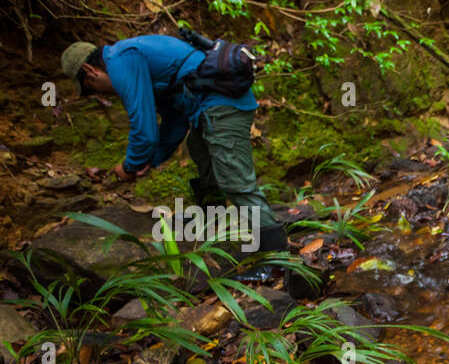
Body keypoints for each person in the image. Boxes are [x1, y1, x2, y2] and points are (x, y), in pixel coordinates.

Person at [60, 35, 291, 277]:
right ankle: (221, 235)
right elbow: (175, 121)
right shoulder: (135, 58)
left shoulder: (120, 60)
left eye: (91, 89)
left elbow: (143, 126)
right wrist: (150, 161)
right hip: (208, 109)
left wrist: (130, 166)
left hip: (222, 106)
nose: (102, 94)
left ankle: (278, 262)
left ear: (90, 71)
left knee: (236, 182)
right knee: (200, 151)